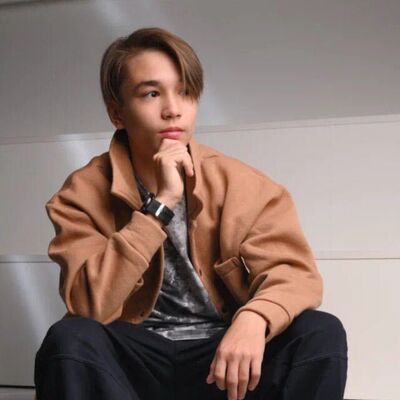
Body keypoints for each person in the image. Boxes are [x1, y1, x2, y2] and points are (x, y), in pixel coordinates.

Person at [34, 27, 348, 400]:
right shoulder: (81, 194)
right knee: (69, 339)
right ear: (117, 112)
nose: (173, 109)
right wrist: (160, 204)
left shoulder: (242, 185)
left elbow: (296, 275)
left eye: (185, 92)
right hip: (132, 363)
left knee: (320, 332)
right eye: (151, 94)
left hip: (223, 362)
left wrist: (254, 318)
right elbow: (88, 305)